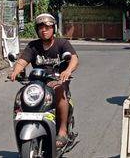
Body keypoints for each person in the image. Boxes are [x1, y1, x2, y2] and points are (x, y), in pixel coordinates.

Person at [9, 13, 79, 148]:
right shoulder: (33, 46)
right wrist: (15, 71)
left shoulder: (62, 43)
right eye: (41, 27)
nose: (44, 30)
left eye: (47, 27)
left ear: (53, 28)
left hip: (58, 80)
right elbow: (23, 61)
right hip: (38, 82)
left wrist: (67, 71)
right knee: (22, 95)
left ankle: (63, 130)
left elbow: (74, 59)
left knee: (59, 90)